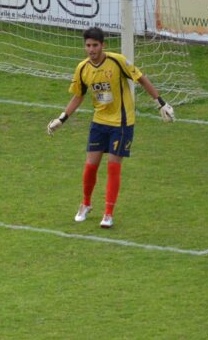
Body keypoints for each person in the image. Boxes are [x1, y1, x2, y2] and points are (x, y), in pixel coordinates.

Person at [46, 27, 175, 228]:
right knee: (90, 165)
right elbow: (78, 95)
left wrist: (161, 102)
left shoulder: (117, 61)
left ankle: (108, 213)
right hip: (99, 122)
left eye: (95, 45)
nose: (91, 50)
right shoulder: (82, 68)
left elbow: (140, 77)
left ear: (103, 45)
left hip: (122, 123)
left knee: (113, 166)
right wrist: (61, 119)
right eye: (88, 45)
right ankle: (86, 204)